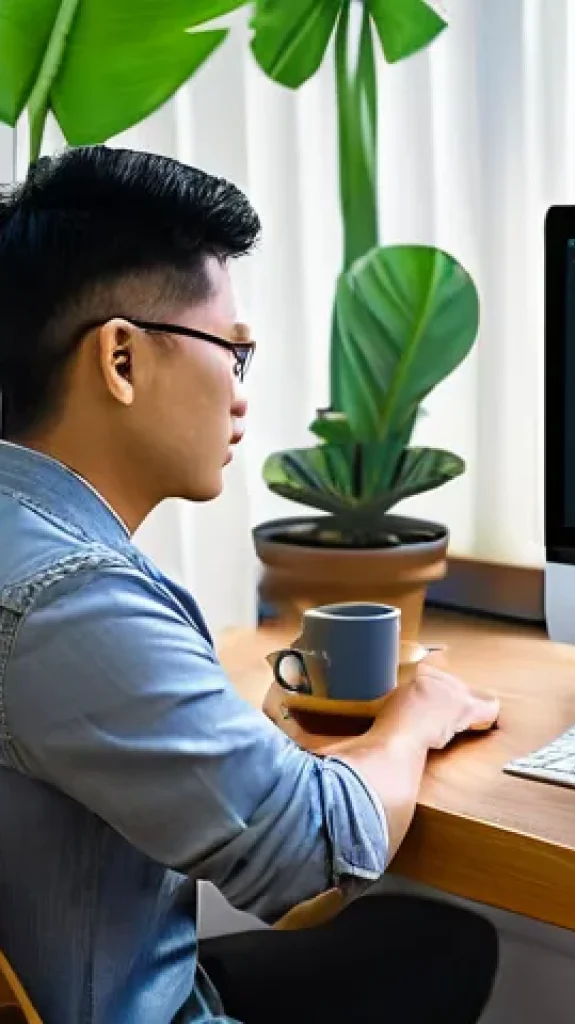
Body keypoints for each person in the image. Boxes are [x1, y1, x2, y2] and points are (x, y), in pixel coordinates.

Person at [0, 146, 501, 1024]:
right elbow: (317, 849)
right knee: (437, 948)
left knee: (427, 944)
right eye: (231, 353)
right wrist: (414, 717)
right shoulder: (72, 598)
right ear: (120, 359)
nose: (239, 396)